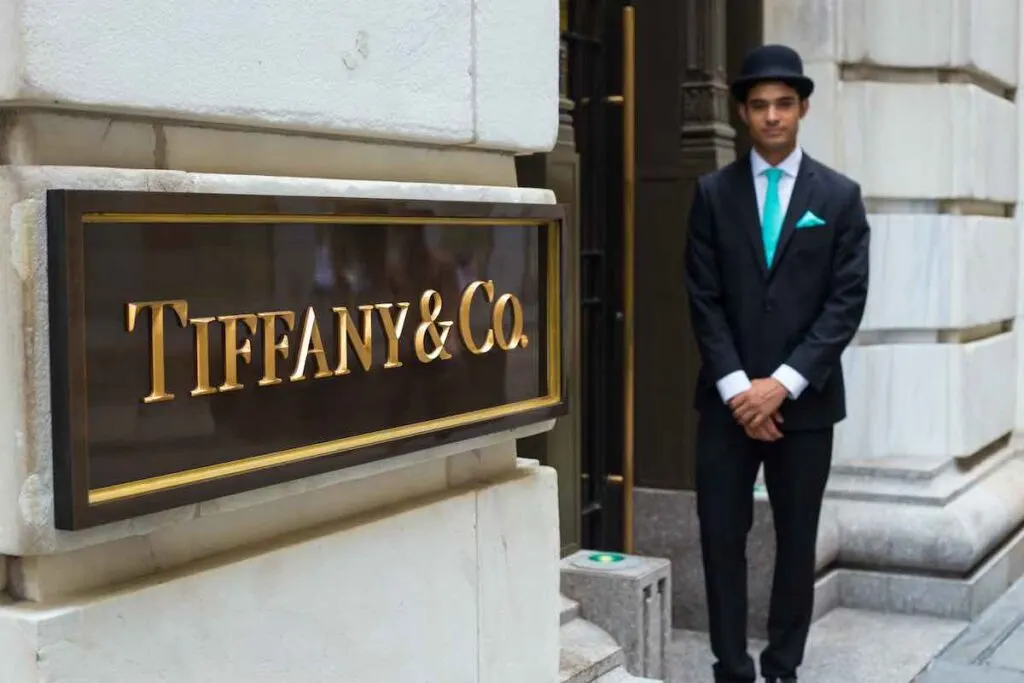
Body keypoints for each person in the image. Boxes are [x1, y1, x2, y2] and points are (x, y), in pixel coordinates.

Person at [683, 44, 870, 683]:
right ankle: (730, 669)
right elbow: (703, 299)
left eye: (783, 104)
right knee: (720, 541)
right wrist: (742, 391)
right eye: (759, 105)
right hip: (726, 403)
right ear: (741, 112)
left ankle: (782, 668)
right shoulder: (711, 194)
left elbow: (845, 305)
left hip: (806, 406)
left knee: (795, 545)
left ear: (803, 108)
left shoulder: (840, 198)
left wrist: (781, 387)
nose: (771, 117)